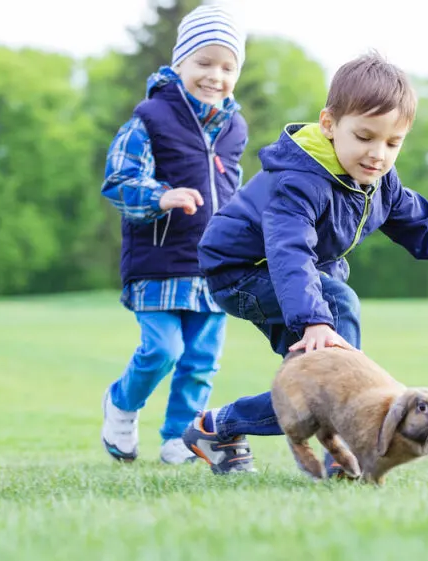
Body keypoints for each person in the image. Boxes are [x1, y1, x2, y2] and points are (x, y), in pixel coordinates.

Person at [181, 51, 428, 475]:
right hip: (241, 271)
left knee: (313, 386)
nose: (378, 154)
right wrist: (315, 320)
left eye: (393, 143)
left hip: (300, 277)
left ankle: (217, 427)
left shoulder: (379, 184)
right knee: (339, 324)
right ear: (329, 124)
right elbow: (289, 251)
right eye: (365, 136)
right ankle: (345, 454)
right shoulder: (298, 180)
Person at [98, 2, 248, 465]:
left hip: (214, 267)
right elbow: (119, 183)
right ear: (179, 62)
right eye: (204, 62)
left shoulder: (234, 127)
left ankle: (178, 438)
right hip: (159, 263)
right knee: (163, 349)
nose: (215, 76)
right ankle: (121, 406)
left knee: (201, 360)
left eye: (227, 67)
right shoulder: (149, 119)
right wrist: (161, 196)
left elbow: (233, 191)